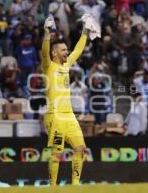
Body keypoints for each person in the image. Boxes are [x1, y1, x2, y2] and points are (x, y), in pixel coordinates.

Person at [41, 16, 88, 186]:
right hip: (55, 116)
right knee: (57, 153)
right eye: (63, 50)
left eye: (66, 50)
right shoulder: (49, 66)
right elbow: (44, 53)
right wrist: (47, 34)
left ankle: (75, 185)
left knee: (80, 149)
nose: (67, 53)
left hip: (69, 115)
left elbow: (78, 50)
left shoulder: (66, 66)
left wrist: (85, 32)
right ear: (54, 53)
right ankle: (53, 186)